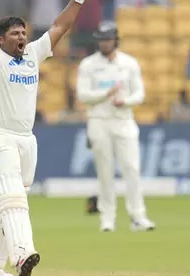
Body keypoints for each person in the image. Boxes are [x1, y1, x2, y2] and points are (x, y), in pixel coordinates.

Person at [0, 0, 103, 276]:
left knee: (5, 203)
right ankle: (23, 254)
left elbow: (59, 26)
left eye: (23, 32)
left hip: (27, 140)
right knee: (13, 196)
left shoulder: (33, 55)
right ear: (1, 39)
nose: (22, 37)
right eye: (14, 33)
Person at [76, 21, 155, 233]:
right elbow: (83, 95)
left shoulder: (129, 63)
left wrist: (125, 101)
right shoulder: (88, 65)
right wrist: (107, 94)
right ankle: (107, 218)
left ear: (115, 40)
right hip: (98, 121)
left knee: (132, 168)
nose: (104, 43)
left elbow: (140, 94)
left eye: (108, 39)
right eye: (101, 39)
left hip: (124, 120)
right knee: (105, 171)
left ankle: (138, 216)